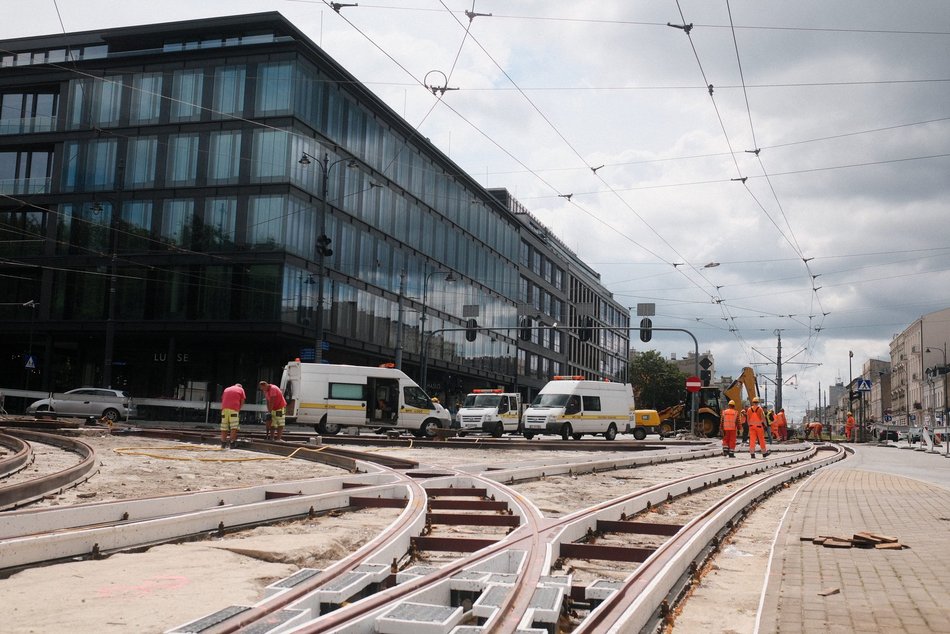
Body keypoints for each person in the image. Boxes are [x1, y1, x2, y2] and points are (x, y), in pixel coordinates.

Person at [220, 383, 246, 449]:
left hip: (224, 409)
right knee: (234, 427)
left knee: (224, 427)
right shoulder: (241, 389)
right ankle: (232, 443)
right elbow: (242, 401)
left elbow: (223, 399)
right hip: (234, 409)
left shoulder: (227, 389)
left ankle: (223, 444)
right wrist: (238, 409)